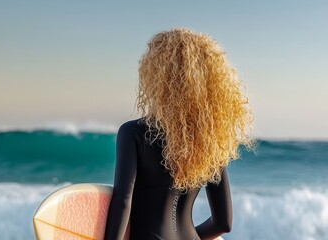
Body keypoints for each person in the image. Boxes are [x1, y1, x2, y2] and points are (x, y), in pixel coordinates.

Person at [103, 28, 254, 240]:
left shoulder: (133, 133)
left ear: (156, 75)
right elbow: (224, 223)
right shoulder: (210, 141)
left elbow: (123, 202)